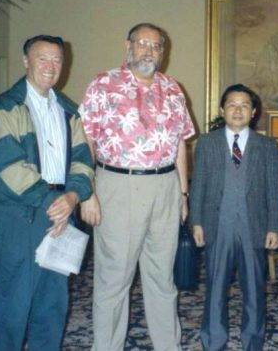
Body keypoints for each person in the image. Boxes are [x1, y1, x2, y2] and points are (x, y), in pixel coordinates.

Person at [79, 22, 195, 351]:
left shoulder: (173, 88)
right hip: (118, 185)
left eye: (156, 45)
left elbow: (180, 146)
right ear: (127, 46)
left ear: (164, 51)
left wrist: (183, 194)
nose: (148, 50)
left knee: (162, 278)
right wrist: (88, 190)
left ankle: (167, 346)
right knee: (114, 278)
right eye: (142, 43)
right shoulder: (103, 84)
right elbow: (85, 139)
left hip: (165, 187)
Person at [0, 35, 95, 351]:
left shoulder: (68, 110)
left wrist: (73, 198)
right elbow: (5, 167)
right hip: (20, 215)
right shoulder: (6, 107)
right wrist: (55, 204)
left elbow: (83, 161)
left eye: (57, 59)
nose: (51, 66)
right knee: (13, 301)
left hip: (63, 207)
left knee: (52, 300)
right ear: (26, 61)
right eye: (42, 58)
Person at [190, 84, 278, 351]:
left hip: (253, 226)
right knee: (215, 287)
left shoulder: (266, 146)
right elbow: (199, 187)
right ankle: (213, 341)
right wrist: (196, 221)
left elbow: (275, 190)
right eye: (232, 104)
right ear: (222, 110)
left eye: (244, 105)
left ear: (253, 112)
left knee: (254, 289)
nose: (238, 110)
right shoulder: (207, 143)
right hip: (217, 226)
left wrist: (274, 227)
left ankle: (253, 341)